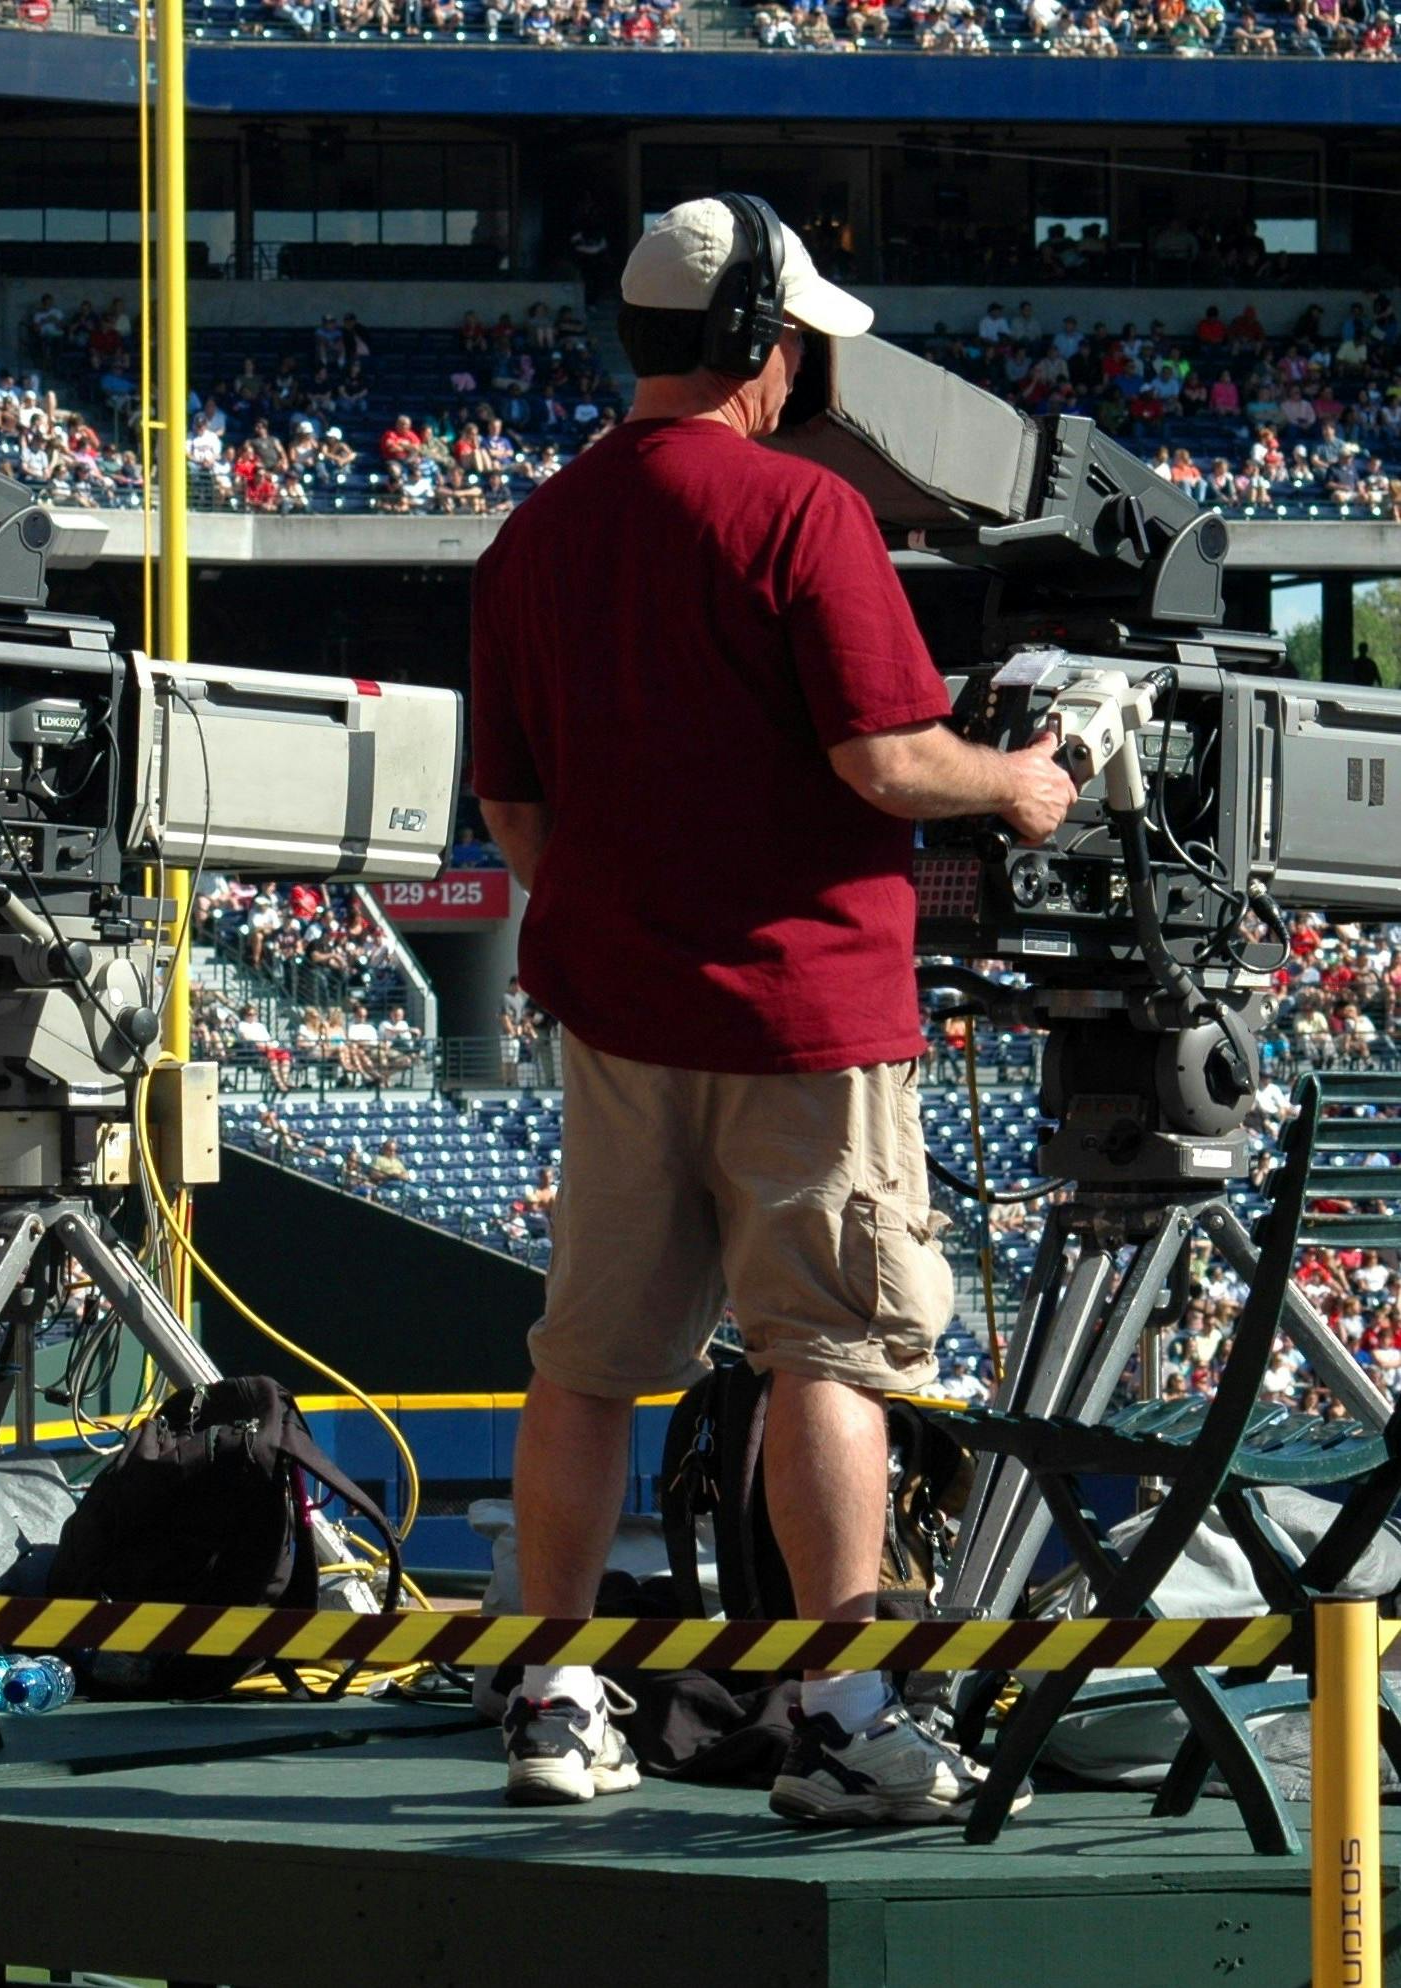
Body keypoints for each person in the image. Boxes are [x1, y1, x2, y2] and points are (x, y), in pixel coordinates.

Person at [469, 197, 1079, 1826]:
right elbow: (887, 762)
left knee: (587, 1363)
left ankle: (551, 1694)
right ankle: (839, 1715)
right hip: (802, 1014)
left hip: (610, 1011)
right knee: (827, 1352)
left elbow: (516, 820)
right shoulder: (799, 513)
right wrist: (1019, 782)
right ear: (761, 342)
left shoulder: (533, 531)